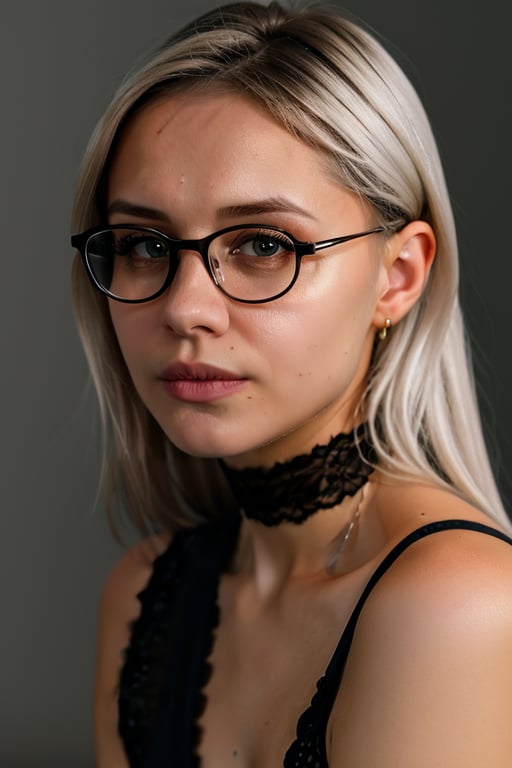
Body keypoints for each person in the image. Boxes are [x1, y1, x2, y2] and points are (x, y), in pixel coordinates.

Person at [70, 2, 512, 766]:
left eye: (265, 245)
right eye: (145, 243)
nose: (184, 308)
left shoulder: (458, 604)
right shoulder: (142, 598)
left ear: (397, 277)